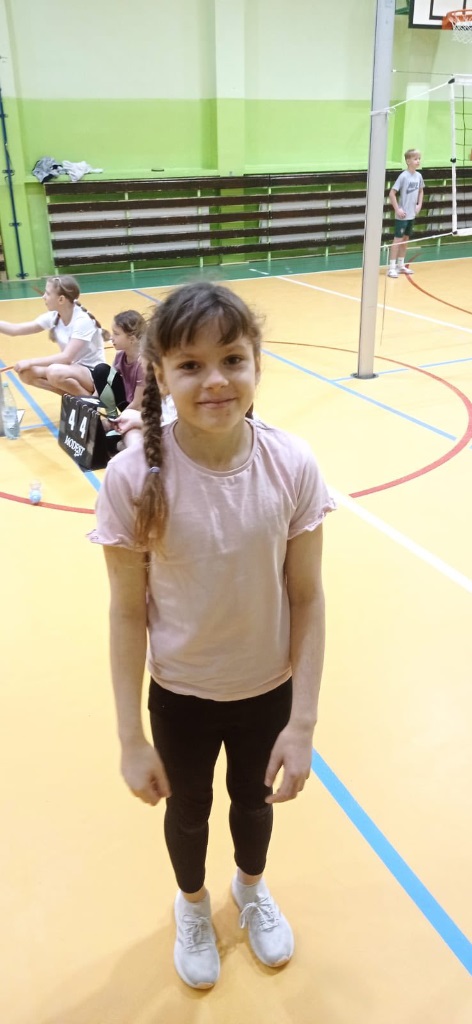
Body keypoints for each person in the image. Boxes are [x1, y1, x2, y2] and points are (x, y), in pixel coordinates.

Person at [90, 281, 335, 990]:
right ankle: (193, 904)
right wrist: (130, 737)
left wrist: (303, 721)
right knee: (189, 810)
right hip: (182, 695)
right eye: (191, 365)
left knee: (254, 804)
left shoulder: (291, 463)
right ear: (159, 374)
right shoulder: (132, 478)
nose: (216, 381)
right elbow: (126, 613)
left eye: (232, 359)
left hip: (267, 690)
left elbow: (308, 596)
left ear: (257, 361)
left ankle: (250, 889)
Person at [0, 275, 107, 395]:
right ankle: (73, 397)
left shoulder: (82, 320)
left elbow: (66, 357)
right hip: (70, 369)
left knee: (54, 372)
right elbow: (15, 329)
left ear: (61, 299)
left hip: (93, 374)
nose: (43, 296)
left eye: (48, 293)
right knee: (26, 373)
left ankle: (90, 402)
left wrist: (30, 361)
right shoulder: (54, 316)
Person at [91, 310, 148, 448]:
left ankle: (119, 429)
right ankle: (114, 420)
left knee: (108, 443)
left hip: (140, 409)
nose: (112, 338)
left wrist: (114, 422)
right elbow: (108, 380)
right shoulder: (120, 355)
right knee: (100, 370)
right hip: (127, 404)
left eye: (116, 334)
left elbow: (137, 403)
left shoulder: (143, 363)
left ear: (132, 339)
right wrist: (91, 401)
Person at [387, 149, 424, 278]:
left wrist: (419, 204)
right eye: (415, 159)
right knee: (397, 240)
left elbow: (421, 191)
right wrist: (397, 209)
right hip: (402, 216)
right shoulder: (403, 176)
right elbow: (392, 193)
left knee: (405, 240)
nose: (418, 161)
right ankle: (391, 268)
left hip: (411, 214)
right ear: (408, 161)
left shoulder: (418, 176)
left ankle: (400, 265)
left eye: (419, 159)